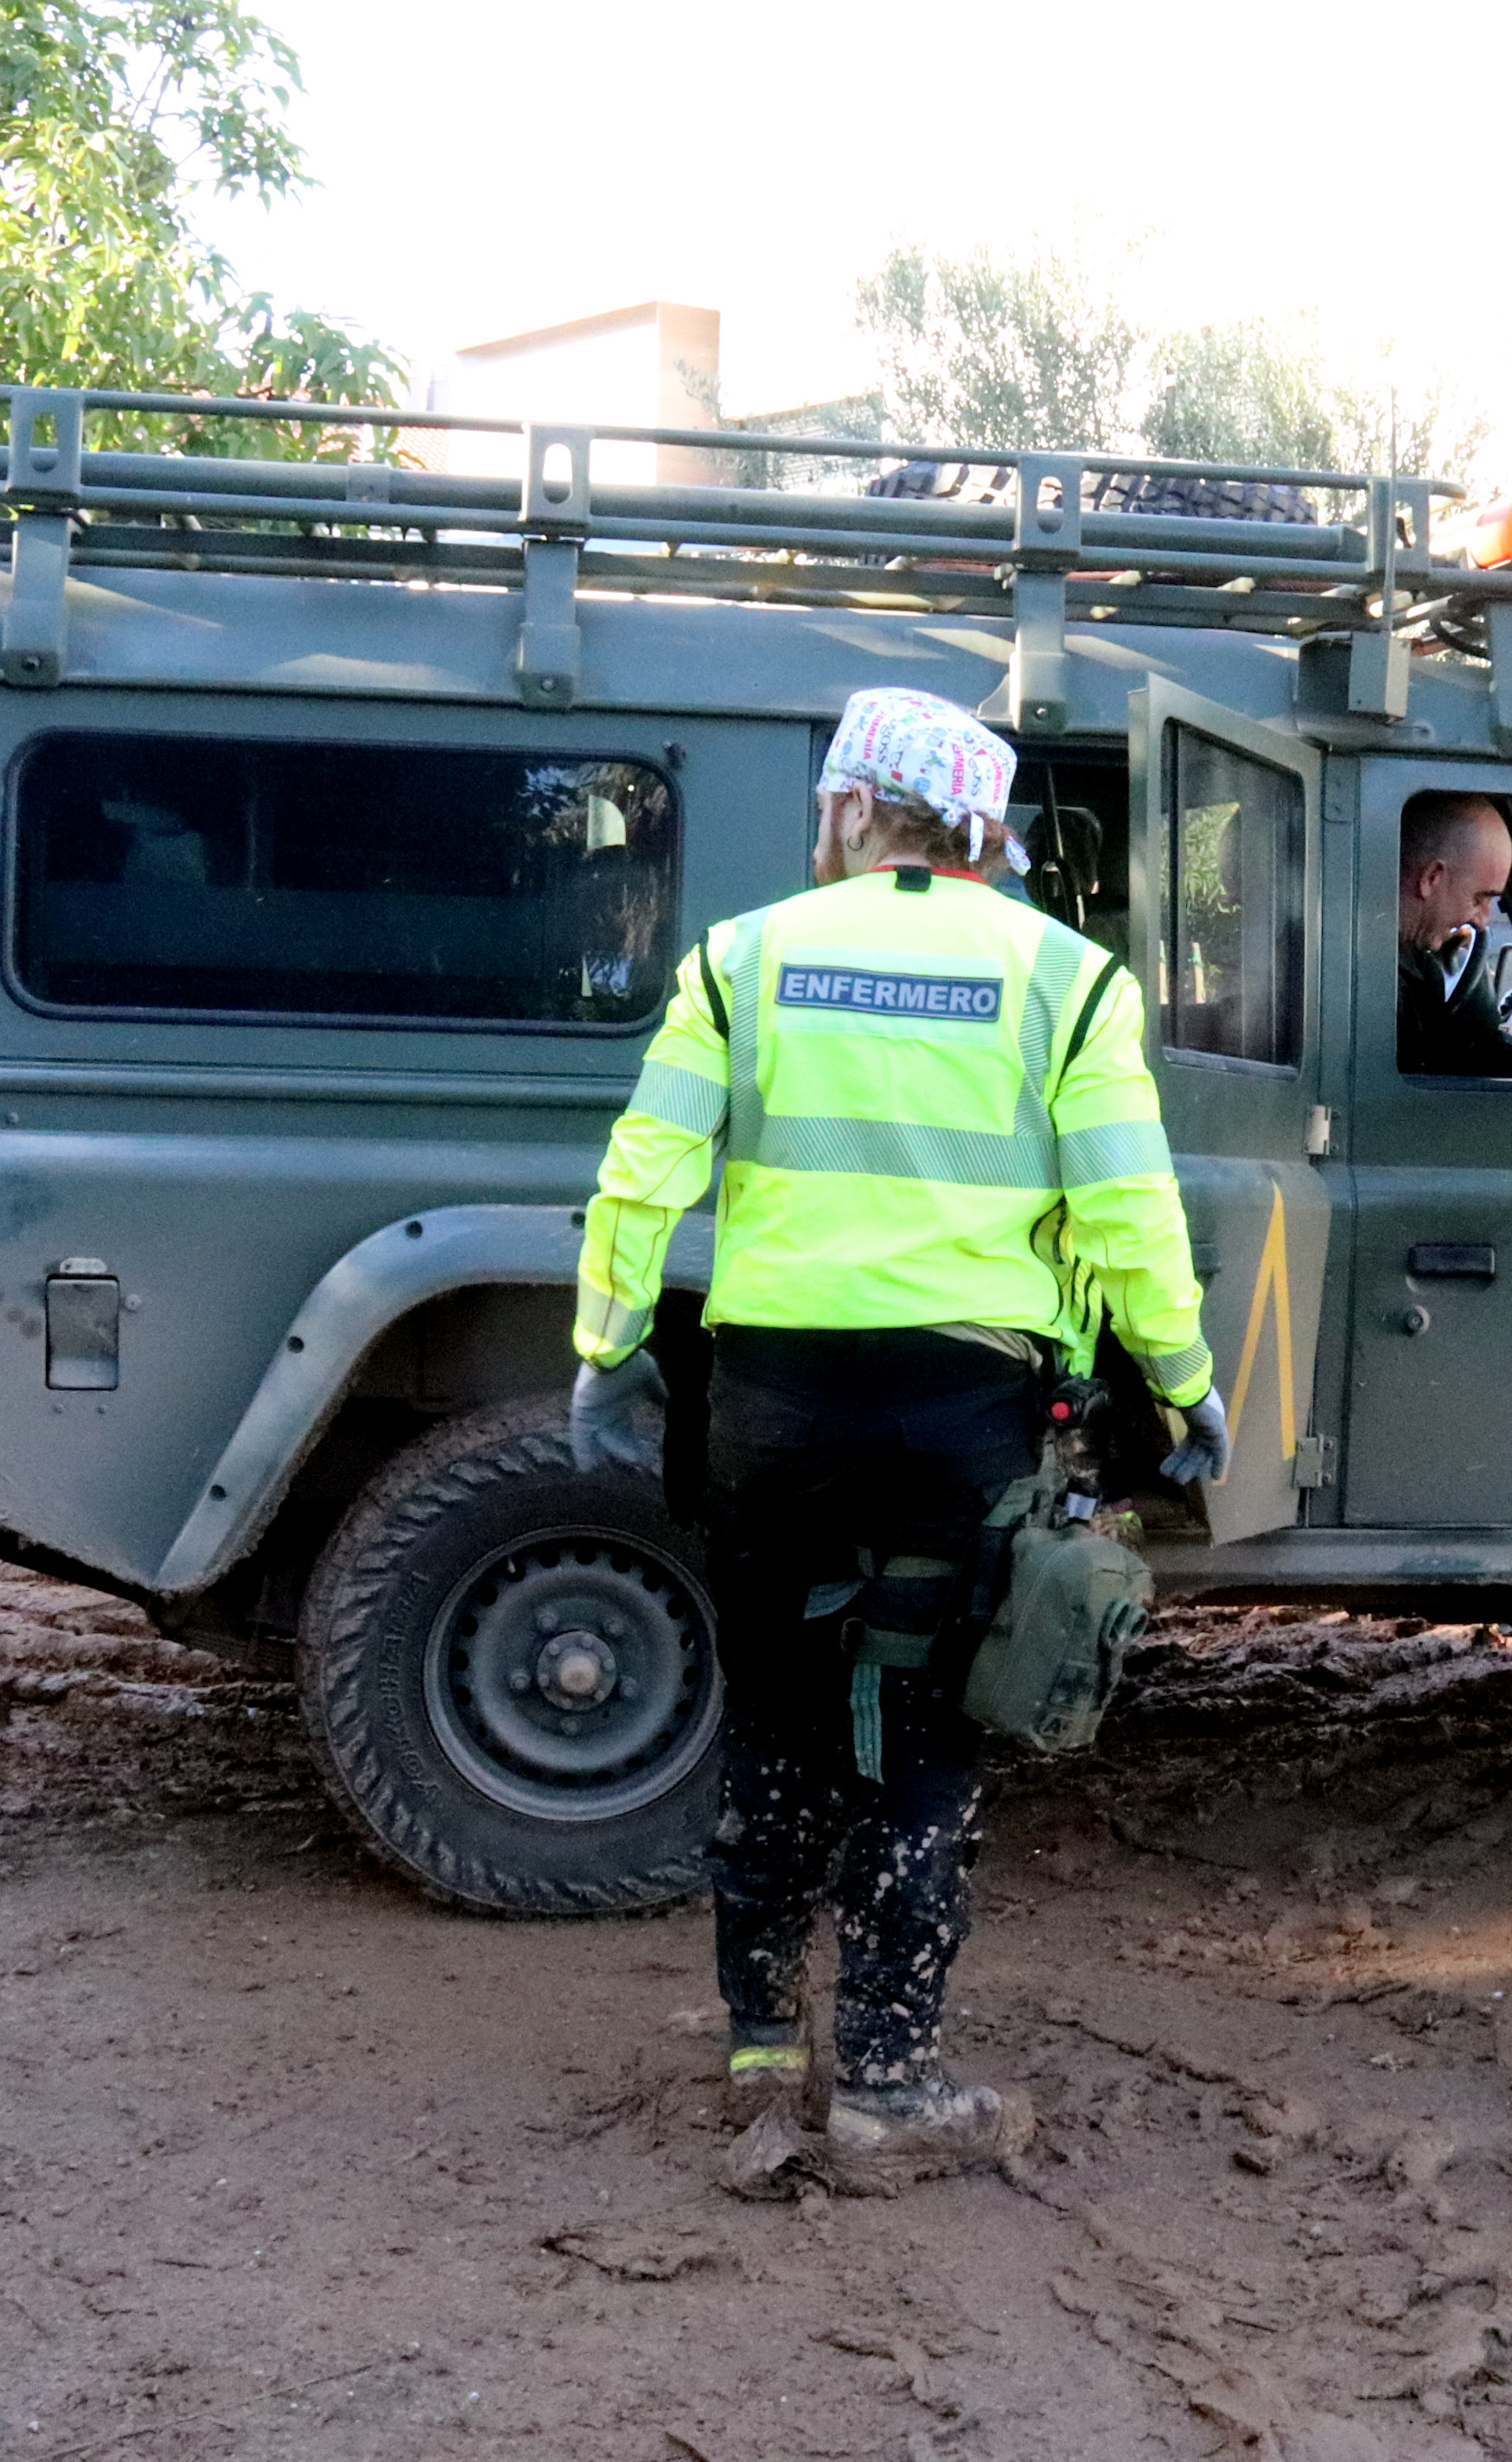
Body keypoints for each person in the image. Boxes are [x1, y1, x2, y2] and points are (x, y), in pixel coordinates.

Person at [567, 686, 1231, 2191]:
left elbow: (643, 1171)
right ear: (984, 833)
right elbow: (1131, 1209)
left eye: (829, 811)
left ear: (855, 809)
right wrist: (1183, 1383)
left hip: (771, 1415)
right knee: (923, 1739)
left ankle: (755, 2040)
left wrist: (604, 1348)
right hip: (961, 1421)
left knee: (776, 1710)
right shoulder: (1069, 978)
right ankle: (884, 2076)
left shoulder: (740, 961)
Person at [1394, 791, 1512, 1075]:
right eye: (1479, 899)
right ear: (1433, 878)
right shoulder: (1376, 989)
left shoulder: (1416, 969)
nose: (1481, 922)